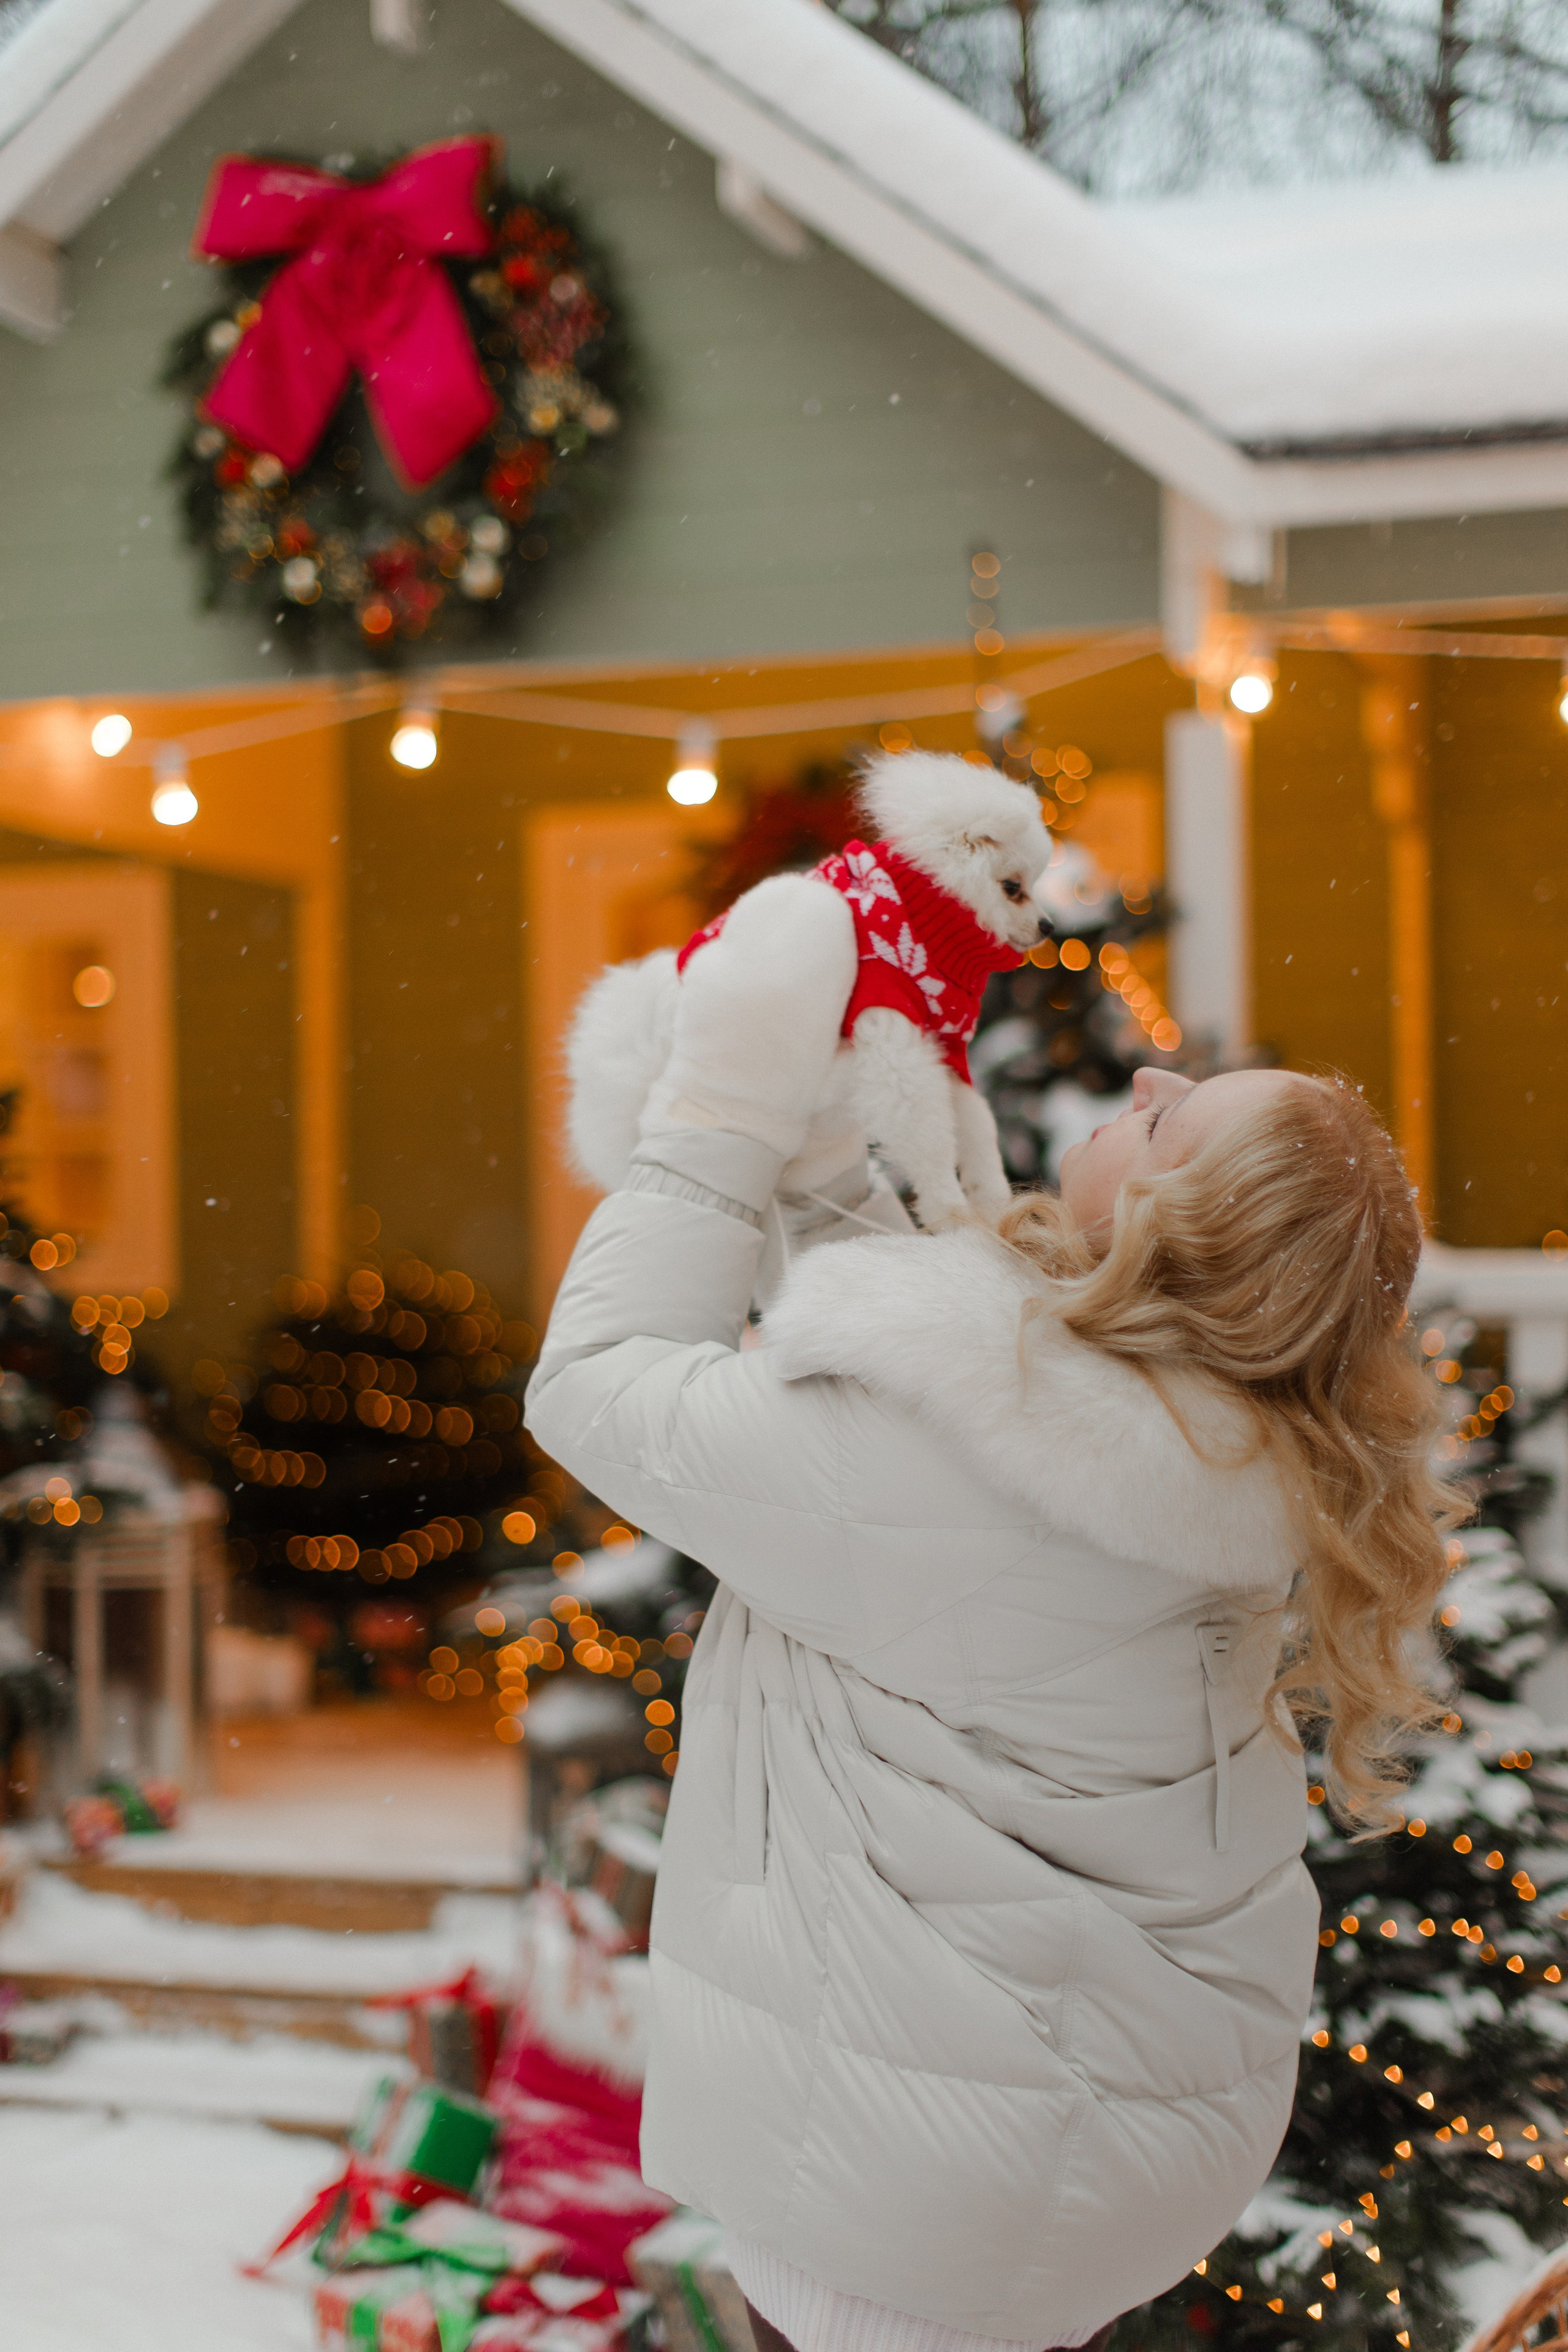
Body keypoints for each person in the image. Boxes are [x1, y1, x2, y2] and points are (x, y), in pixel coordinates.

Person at [526, 905, 1457, 2352]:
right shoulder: (1222, 1435)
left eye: (1173, 1123)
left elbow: (594, 1383)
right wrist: (845, 1120)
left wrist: (720, 1105)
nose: (1145, 1083)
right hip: (1075, 2132)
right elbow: (911, 1368)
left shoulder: (961, 1463)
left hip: (918, 2197)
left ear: (1164, 1232)